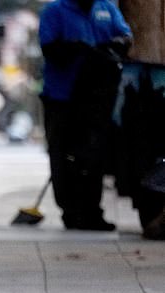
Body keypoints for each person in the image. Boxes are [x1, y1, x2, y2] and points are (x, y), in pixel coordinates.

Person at [39, 0, 132, 230]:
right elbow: (50, 49)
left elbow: (125, 37)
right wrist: (76, 49)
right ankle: (70, 211)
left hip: (96, 98)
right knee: (63, 155)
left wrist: (109, 47)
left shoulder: (106, 9)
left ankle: (92, 211)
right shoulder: (55, 11)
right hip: (62, 98)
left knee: (94, 156)